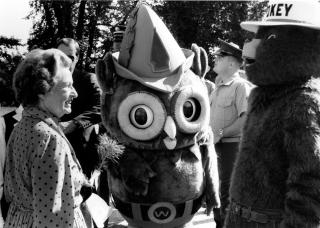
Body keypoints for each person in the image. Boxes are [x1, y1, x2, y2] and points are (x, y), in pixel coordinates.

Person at [4, 48, 91, 227]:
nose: (75, 93)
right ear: (42, 90)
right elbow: (52, 219)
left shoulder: (22, 127)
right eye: (67, 86)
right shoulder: (48, 139)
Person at [209, 39, 252, 228]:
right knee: (216, 192)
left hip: (231, 147)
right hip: (215, 145)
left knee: (226, 193)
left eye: (220, 56)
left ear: (232, 63)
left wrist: (220, 132)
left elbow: (245, 121)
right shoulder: (216, 88)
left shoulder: (241, 86)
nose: (216, 59)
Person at [57, 38, 102, 179]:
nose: (65, 61)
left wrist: (74, 124)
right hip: (53, 153)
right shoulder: (49, 82)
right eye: (60, 56)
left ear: (77, 58)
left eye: (70, 57)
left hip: (81, 155)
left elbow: (100, 109)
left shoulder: (89, 79)